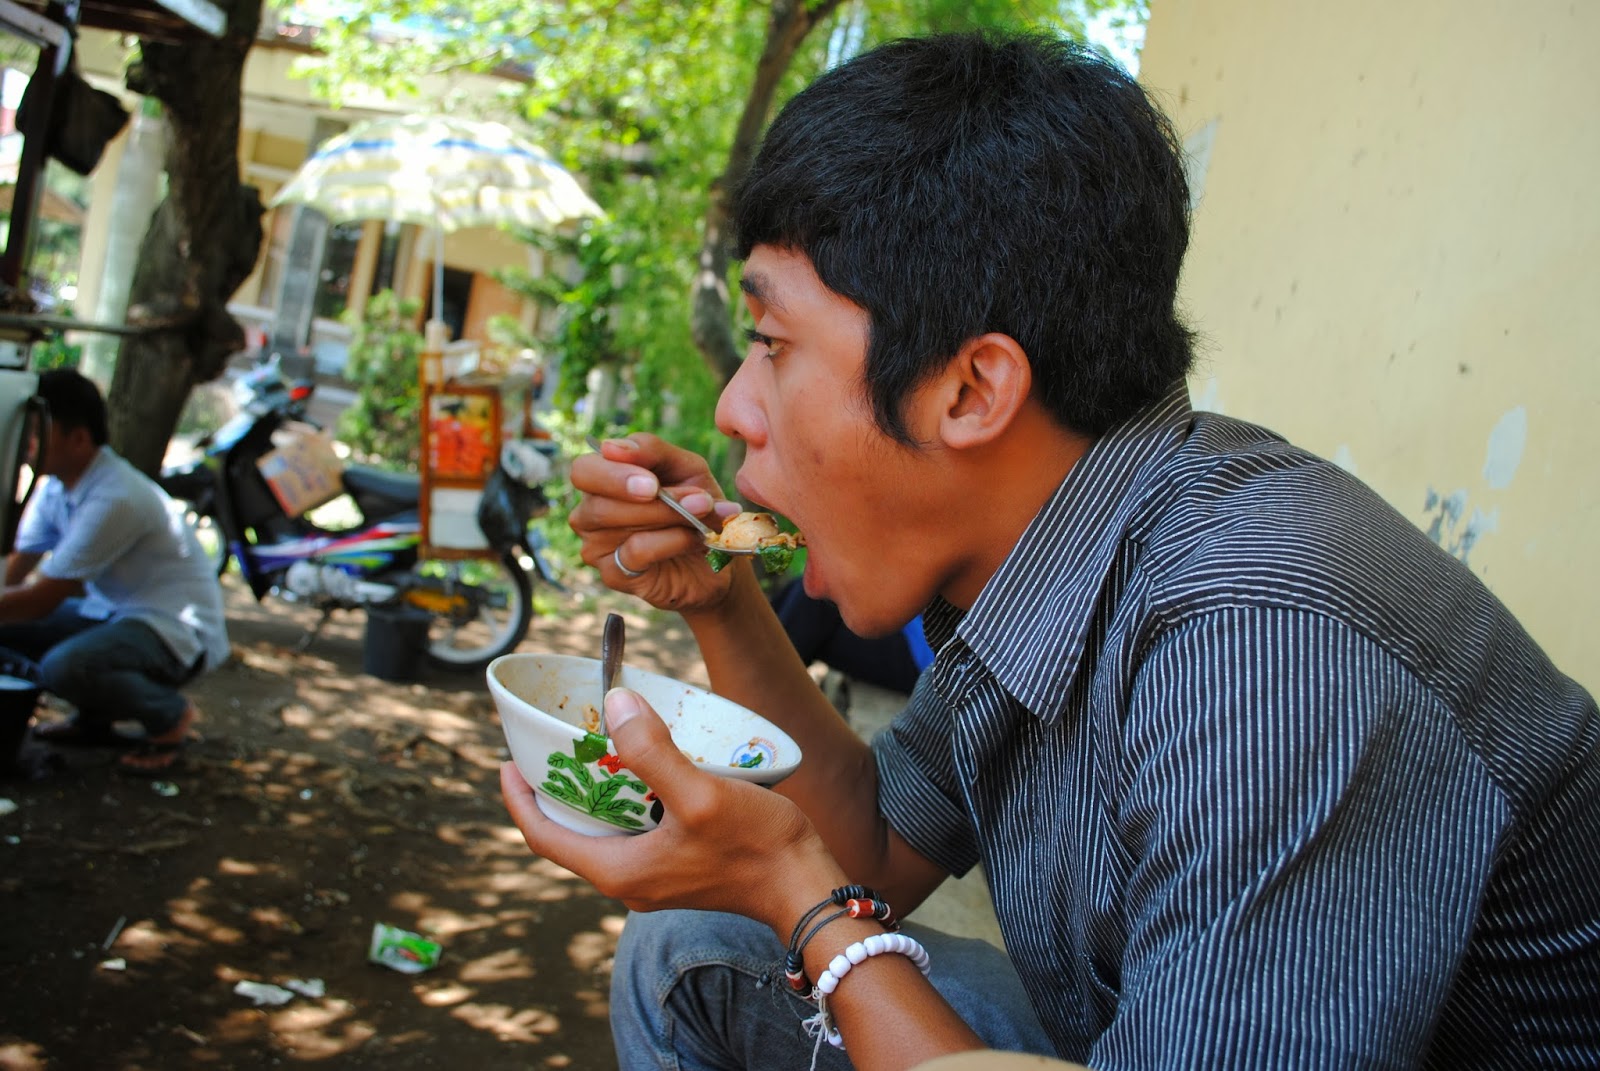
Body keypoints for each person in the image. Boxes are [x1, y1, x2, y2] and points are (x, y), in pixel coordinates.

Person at [500, 32, 1600, 1071]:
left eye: (774, 344)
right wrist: (722, 603)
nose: (735, 408)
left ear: (972, 390)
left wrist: (795, 892)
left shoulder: (1265, 639)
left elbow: (832, 882)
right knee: (689, 957)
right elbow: (876, 849)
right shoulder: (1049, 559)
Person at [1, 369, 229, 774]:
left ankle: (169, 717)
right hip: (115, 614)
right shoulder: (58, 485)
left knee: (64, 665)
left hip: (172, 632)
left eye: (39, 433)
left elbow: (41, 599)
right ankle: (93, 720)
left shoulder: (115, 497)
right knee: (14, 628)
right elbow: (16, 568)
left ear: (79, 438)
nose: (29, 444)